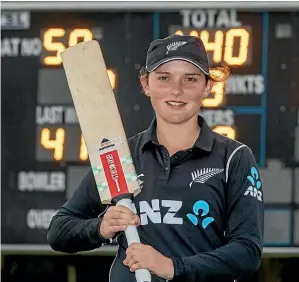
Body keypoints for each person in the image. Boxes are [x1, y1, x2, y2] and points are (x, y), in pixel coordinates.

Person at [47, 34, 265, 282]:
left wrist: (173, 267)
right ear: (145, 84)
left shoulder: (233, 157)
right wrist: (100, 228)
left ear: (208, 87)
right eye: (164, 78)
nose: (176, 90)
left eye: (190, 79)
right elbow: (59, 231)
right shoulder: (120, 155)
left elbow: (248, 252)